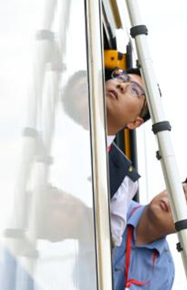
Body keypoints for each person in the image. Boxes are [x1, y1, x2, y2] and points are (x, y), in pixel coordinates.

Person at [62, 67, 150, 248]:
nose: (121, 86)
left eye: (134, 90)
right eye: (121, 78)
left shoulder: (123, 177)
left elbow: (106, 242)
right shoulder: (57, 138)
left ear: (134, 122)